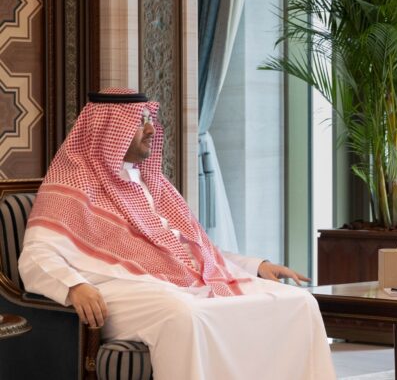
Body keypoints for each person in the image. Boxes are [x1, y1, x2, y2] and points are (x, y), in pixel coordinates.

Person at [19, 88, 336, 380]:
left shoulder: (151, 183)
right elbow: (36, 256)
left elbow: (190, 250)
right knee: (183, 314)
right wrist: (74, 286)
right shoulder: (71, 185)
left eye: (149, 119)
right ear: (107, 129)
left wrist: (254, 266)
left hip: (179, 282)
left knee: (299, 302)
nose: (150, 129)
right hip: (120, 288)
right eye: (139, 121)